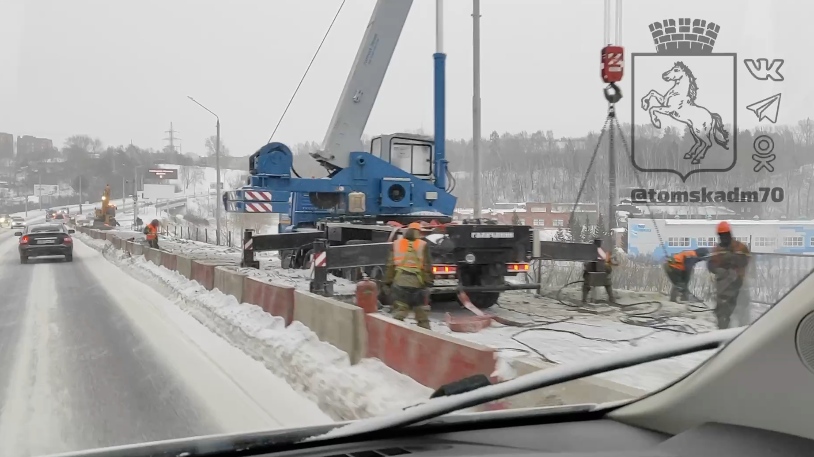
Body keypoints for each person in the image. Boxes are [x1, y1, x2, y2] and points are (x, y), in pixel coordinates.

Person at [383, 222, 434, 330]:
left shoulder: (396, 244)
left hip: (400, 282)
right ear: (419, 232)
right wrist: (428, 283)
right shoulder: (423, 245)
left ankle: (394, 334)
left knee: (400, 311)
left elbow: (390, 265)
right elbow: (427, 266)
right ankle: (427, 336)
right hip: (417, 283)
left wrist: (387, 282)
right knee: (421, 312)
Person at [707, 221, 751, 329]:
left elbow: (745, 260)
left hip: (739, 282)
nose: (723, 237)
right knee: (722, 311)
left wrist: (731, 259)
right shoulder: (716, 250)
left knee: (742, 308)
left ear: (729, 234)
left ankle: (744, 329)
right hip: (724, 285)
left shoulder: (740, 247)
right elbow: (710, 264)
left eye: (725, 234)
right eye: (721, 235)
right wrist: (719, 270)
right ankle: (723, 331)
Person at [582, 239, 616, 305]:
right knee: (608, 284)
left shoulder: (590, 253)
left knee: (586, 285)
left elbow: (586, 265)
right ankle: (612, 299)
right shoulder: (604, 253)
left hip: (591, 278)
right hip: (603, 278)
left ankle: (584, 300)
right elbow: (609, 268)